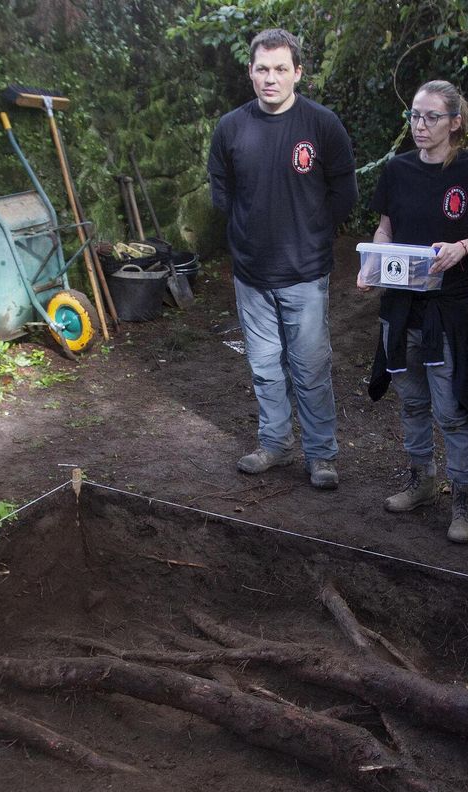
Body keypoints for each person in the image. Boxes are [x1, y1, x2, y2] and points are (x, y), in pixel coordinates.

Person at [208, 28, 358, 490]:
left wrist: (308, 232)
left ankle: (321, 455)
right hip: (251, 273)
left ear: (298, 72)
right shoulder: (231, 127)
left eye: (279, 69)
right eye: (261, 69)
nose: (270, 78)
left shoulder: (321, 125)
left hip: (305, 272)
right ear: (249, 72)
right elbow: (222, 193)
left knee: (310, 367)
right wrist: (250, 235)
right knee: (265, 367)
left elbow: (344, 194)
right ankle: (274, 443)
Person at [362, 80, 468, 543]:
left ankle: (465, 494)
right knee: (413, 401)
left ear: (455, 122)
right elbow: (384, 230)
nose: (420, 126)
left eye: (431, 117)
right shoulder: (397, 170)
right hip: (401, 308)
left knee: (452, 408)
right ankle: (421, 480)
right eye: (415, 117)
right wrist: (373, 263)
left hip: (449, 309)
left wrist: (462, 247)